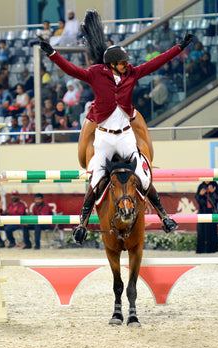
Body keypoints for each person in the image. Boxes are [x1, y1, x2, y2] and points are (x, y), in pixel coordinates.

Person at [38, 10, 195, 244]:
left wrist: (179, 47)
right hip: (103, 139)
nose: (126, 65)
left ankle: (164, 217)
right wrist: (52, 53)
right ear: (112, 64)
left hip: (125, 137)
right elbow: (71, 70)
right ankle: (81, 224)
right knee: (95, 180)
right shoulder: (95, 73)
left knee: (143, 176)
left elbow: (155, 63)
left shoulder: (132, 72)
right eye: (122, 62)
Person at [195, 181, 218, 253]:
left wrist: (213, 192)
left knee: (212, 230)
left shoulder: (214, 185)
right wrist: (200, 194)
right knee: (201, 230)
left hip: (212, 211)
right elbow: (197, 199)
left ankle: (212, 249)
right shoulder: (201, 186)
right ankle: (201, 249)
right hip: (203, 211)